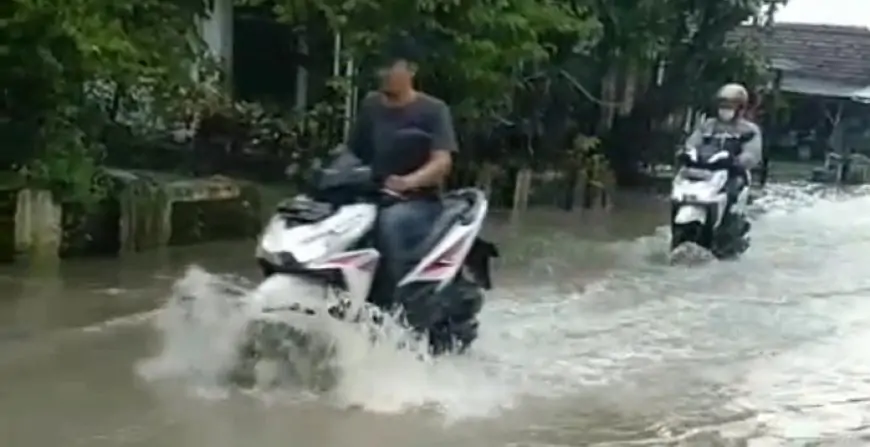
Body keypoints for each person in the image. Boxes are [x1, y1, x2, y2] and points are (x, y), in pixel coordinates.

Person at [345, 41, 458, 303]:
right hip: (373, 194)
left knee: (389, 225)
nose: (383, 73)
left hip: (418, 200)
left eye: (391, 66)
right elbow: (353, 152)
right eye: (380, 66)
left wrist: (407, 182)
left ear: (412, 70)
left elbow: (442, 162)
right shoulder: (371, 106)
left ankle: (397, 304)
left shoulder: (433, 110)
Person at [685, 83, 763, 210]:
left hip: (733, 172)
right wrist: (688, 152)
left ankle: (731, 219)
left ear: (740, 109)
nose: (724, 110)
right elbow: (692, 142)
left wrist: (737, 161)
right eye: (722, 106)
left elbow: (752, 154)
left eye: (729, 107)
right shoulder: (708, 125)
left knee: (733, 191)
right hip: (705, 170)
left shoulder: (749, 130)